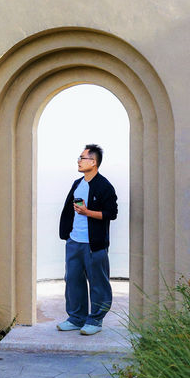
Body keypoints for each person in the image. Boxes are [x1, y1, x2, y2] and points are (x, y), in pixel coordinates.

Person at [57, 143, 118, 335]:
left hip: (94, 244)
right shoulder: (77, 183)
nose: (79, 161)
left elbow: (111, 214)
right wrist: (67, 234)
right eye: (80, 158)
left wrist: (87, 212)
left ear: (93, 162)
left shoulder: (104, 186)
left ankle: (95, 321)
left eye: (82, 158)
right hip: (74, 241)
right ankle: (76, 318)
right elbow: (71, 210)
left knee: (98, 283)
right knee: (73, 280)